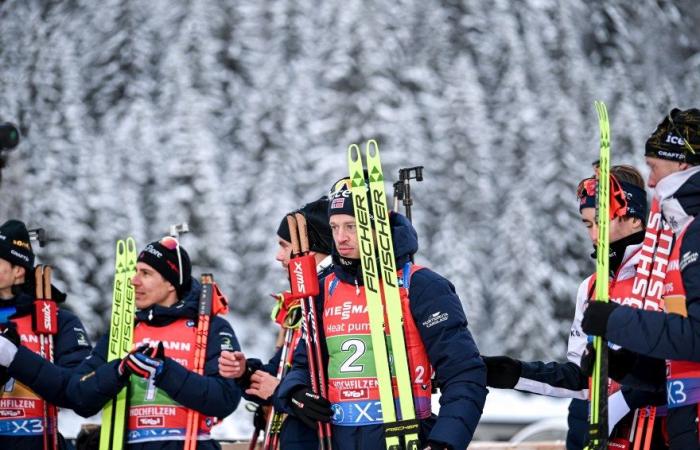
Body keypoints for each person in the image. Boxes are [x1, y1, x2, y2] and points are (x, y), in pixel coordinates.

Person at [275, 177, 487, 450]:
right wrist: (295, 392)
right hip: (337, 439)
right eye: (335, 227)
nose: (340, 238)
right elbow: (306, 363)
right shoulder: (325, 288)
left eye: (351, 226)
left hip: (404, 437)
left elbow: (464, 372)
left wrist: (444, 441)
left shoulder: (422, 286)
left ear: (378, 226)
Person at [483, 165, 668, 449]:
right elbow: (584, 378)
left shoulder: (666, 275)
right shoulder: (592, 287)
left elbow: (681, 362)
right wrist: (516, 373)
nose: (594, 235)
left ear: (634, 219)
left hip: (659, 431)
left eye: (601, 222)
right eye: (587, 224)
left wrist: (624, 399)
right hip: (604, 434)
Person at [0, 236, 242, 449]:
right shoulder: (124, 330)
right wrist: (118, 370)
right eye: (135, 271)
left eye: (145, 274)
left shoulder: (211, 327)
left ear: (171, 283)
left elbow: (224, 398)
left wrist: (165, 370)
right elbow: (77, 394)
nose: (134, 281)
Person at [583, 108, 700, 450]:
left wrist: (615, 321)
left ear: (681, 164)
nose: (650, 182)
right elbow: (683, 359)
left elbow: (696, 335)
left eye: (653, 168)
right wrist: (626, 367)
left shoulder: (696, 232)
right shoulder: (686, 233)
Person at [219, 196, 333, 450]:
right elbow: (284, 369)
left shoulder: (334, 299)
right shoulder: (301, 303)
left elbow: (329, 391)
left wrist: (281, 391)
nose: (278, 256)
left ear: (309, 249)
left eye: (284, 245)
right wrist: (245, 373)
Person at [0, 219, 92, 450]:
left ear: (18, 270)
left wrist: (19, 360)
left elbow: (79, 390)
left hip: (38, 441)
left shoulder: (59, 321)